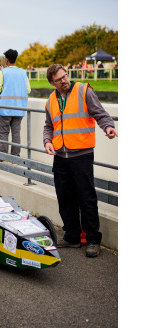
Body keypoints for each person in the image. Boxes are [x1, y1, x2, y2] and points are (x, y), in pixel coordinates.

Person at [43, 64, 117, 258]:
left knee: (86, 198)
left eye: (65, 76)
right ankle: (72, 235)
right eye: (59, 80)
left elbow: (100, 113)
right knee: (65, 197)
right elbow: (48, 125)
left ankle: (93, 240)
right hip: (60, 155)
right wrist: (47, 141)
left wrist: (108, 127)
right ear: (52, 83)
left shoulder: (84, 90)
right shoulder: (50, 100)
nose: (64, 80)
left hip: (81, 155)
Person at [0, 49, 31, 157]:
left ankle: (4, 157)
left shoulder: (3, 72)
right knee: (16, 134)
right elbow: (28, 90)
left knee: (4, 133)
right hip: (19, 109)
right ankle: (15, 157)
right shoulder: (23, 73)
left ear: (6, 59)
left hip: (5, 109)